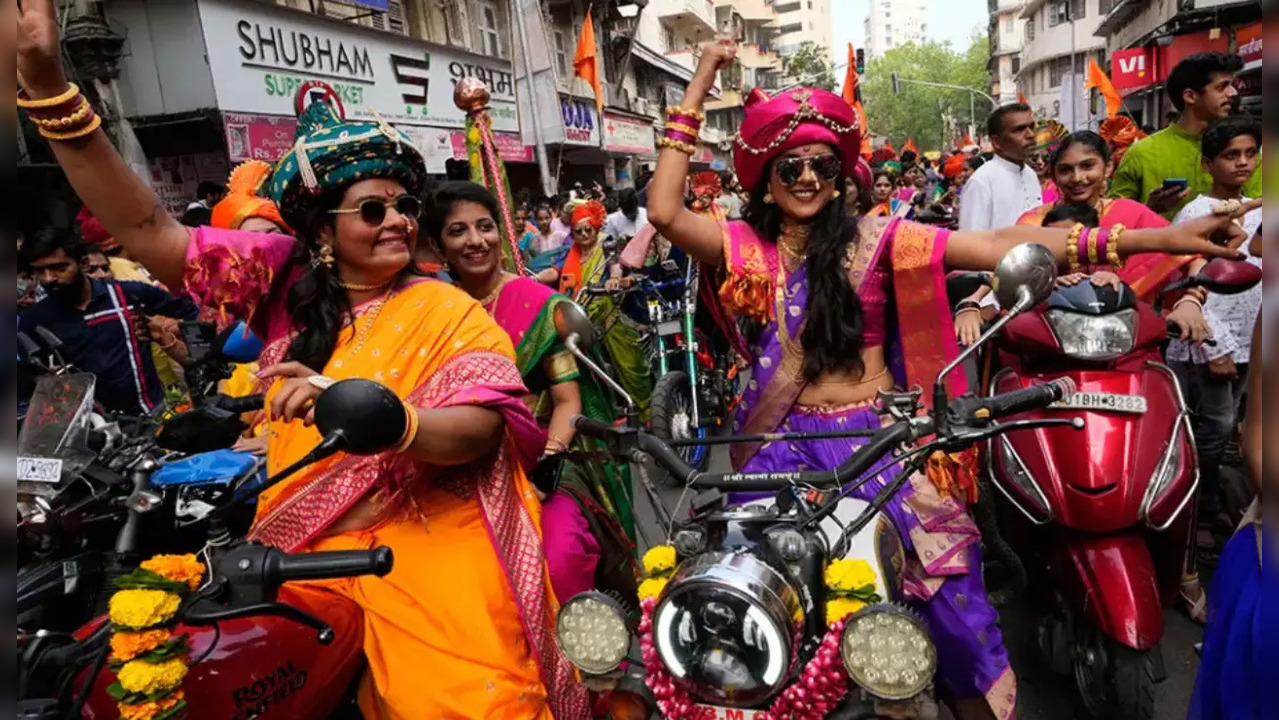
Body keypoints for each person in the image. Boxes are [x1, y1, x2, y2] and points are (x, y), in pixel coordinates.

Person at [645, 39, 1248, 720]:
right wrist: (700, 77)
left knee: (954, 601)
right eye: (791, 166)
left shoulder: (881, 238)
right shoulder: (743, 248)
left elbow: (995, 249)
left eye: (821, 164)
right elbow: (664, 211)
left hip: (874, 446)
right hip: (778, 452)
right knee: (738, 604)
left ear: (841, 174)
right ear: (766, 177)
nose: (807, 177)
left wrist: (1159, 240)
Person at [16, 7, 592, 711]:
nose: (399, 222)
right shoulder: (283, 288)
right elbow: (145, 228)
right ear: (322, 228)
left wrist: (371, 409)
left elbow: (480, 430)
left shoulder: (444, 308)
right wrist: (49, 88)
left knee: (461, 702)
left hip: (430, 538)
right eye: (371, 210)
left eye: (404, 205)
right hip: (303, 546)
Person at [424, 181, 640, 603]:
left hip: (545, 458)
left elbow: (567, 402)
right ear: (437, 247)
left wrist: (546, 469)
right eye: (458, 232)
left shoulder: (539, 305)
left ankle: (586, 660)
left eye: (484, 227)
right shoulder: (433, 311)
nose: (475, 241)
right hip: (464, 463)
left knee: (559, 556)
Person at [1167, 119, 1264, 591]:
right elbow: (1187, 280)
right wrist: (1215, 344)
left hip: (1253, 339)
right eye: (1231, 155)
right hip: (1208, 341)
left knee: (1236, 428)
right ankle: (1197, 511)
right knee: (1213, 428)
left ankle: (1215, 501)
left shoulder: (1264, 211)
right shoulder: (1196, 214)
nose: (1242, 162)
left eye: (1249, 153)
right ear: (1208, 163)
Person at [18, 228, 197, 415]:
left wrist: (174, 338)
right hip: (92, 432)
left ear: (83, 264)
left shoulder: (128, 295)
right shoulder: (34, 321)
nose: (48, 279)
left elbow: (193, 312)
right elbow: (30, 384)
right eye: (40, 271)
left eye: (60, 268)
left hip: (154, 417)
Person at [1112, 52, 1262, 218]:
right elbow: (1113, 224)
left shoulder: (1247, 151)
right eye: (1222, 87)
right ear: (1190, 96)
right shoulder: (1141, 154)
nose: (1233, 92)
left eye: (1232, 85)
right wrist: (1150, 208)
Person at [557, 200, 652, 418]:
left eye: (587, 229)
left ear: (595, 227)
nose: (583, 235)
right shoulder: (570, 253)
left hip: (610, 312)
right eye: (577, 231)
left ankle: (646, 409)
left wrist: (614, 280)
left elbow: (615, 265)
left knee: (628, 362)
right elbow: (554, 271)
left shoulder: (606, 244)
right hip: (579, 314)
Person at [958, 103, 1042, 232]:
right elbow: (971, 242)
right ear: (996, 142)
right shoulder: (982, 181)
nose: (1030, 135)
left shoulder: (1030, 174)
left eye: (1031, 127)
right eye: (1019, 129)